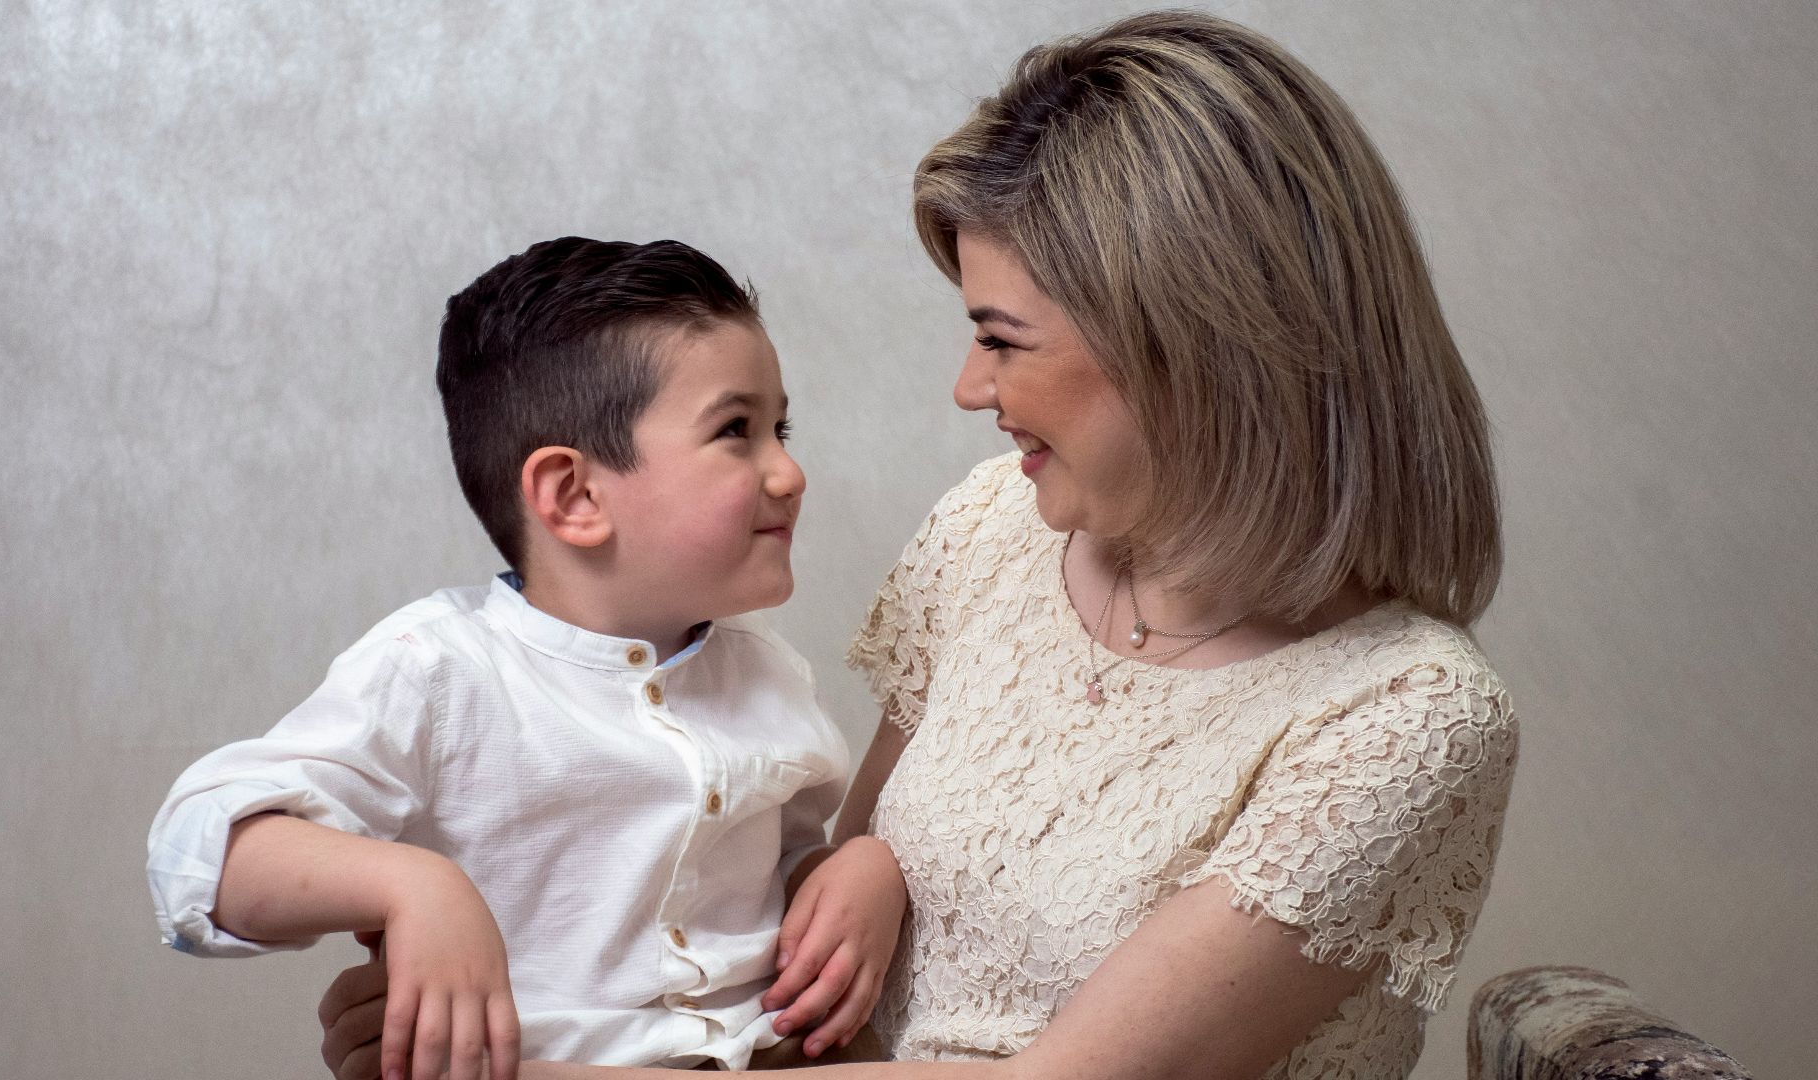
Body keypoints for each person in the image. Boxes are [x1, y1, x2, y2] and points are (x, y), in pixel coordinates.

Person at [318, 11, 1519, 1080]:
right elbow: (812, 971)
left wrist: (532, 1071)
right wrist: (504, 1010)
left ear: (1192, 346)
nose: (967, 387)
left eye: (1002, 339)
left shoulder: (1409, 717)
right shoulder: (992, 528)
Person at [146, 237, 905, 1080]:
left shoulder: (769, 675)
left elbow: (775, 889)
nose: (789, 471)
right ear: (573, 496)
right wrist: (418, 888)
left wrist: (860, 871)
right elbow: (199, 852)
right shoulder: (439, 673)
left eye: (781, 428)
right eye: (738, 431)